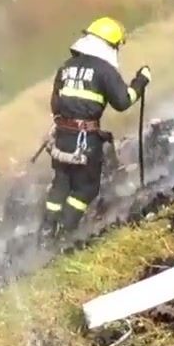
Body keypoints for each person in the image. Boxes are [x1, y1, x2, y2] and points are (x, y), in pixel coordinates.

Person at [40, 16, 150, 244]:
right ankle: (62, 233)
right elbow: (123, 101)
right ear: (111, 45)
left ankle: (46, 229)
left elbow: (55, 104)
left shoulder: (67, 67)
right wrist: (140, 81)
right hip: (85, 140)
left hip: (62, 137)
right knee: (85, 188)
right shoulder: (104, 70)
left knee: (61, 181)